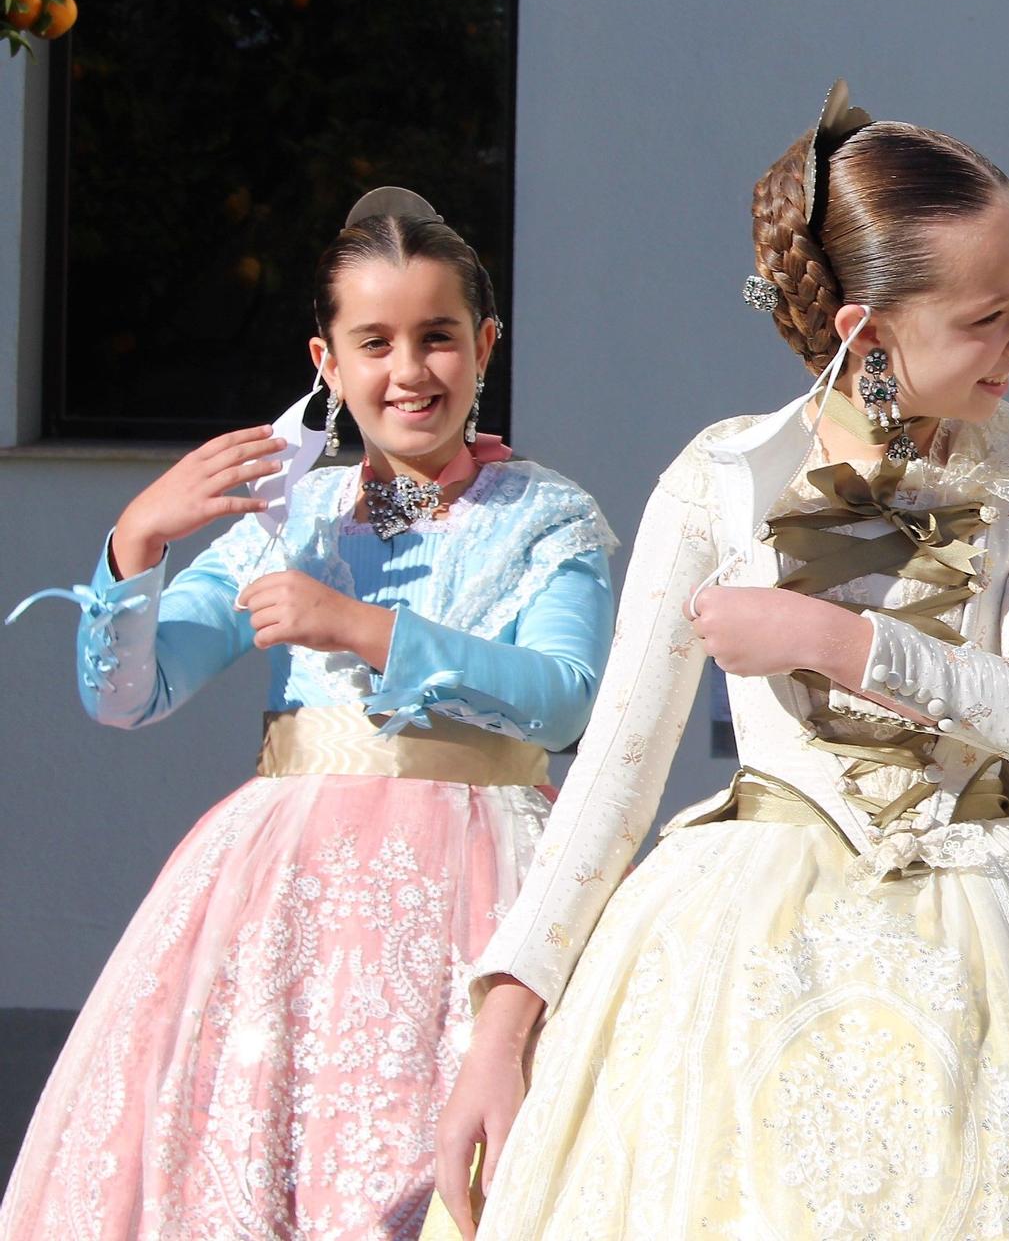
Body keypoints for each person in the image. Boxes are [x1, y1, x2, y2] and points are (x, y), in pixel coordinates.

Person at [428, 83, 1009, 1239]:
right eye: (986, 317)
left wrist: (831, 637)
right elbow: (610, 777)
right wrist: (500, 1036)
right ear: (863, 331)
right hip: (747, 954)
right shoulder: (718, 478)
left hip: (1000, 940)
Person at [0, 188, 616, 1240]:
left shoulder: (550, 514)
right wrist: (135, 542)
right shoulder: (290, 520)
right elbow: (126, 692)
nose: (409, 370)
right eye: (374, 342)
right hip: (284, 899)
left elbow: (562, 699)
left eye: (438, 337)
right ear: (326, 363)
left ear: (486, 345)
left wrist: (368, 630)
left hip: (485, 889)